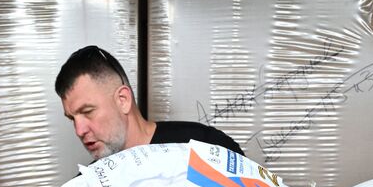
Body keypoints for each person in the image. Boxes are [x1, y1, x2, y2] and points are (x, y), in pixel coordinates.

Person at [55, 45, 243, 159]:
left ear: (123, 100)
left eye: (87, 111)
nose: (79, 131)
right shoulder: (89, 185)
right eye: (72, 118)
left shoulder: (204, 146)